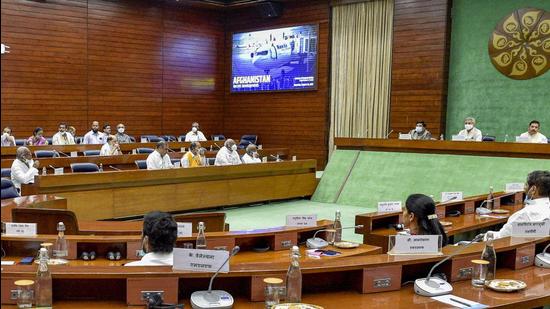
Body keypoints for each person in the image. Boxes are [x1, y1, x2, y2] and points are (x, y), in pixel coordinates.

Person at [485, 170, 550, 240]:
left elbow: (501, 239)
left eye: (526, 185)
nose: (524, 188)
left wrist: (485, 235)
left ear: (533, 189)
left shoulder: (523, 214)